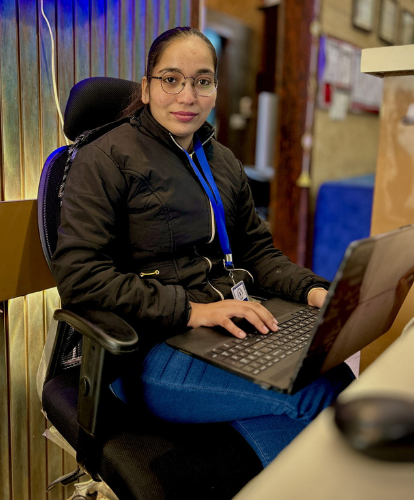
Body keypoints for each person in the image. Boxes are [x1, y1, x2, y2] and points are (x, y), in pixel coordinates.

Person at [52, 26, 354, 467]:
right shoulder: (104, 158)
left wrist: (313, 290)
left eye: (202, 81)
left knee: (335, 373)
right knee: (316, 395)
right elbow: (80, 278)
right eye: (171, 79)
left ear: (214, 89)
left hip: (227, 327)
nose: (187, 95)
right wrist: (193, 311)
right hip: (148, 350)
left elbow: (257, 251)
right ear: (146, 88)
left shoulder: (222, 160)